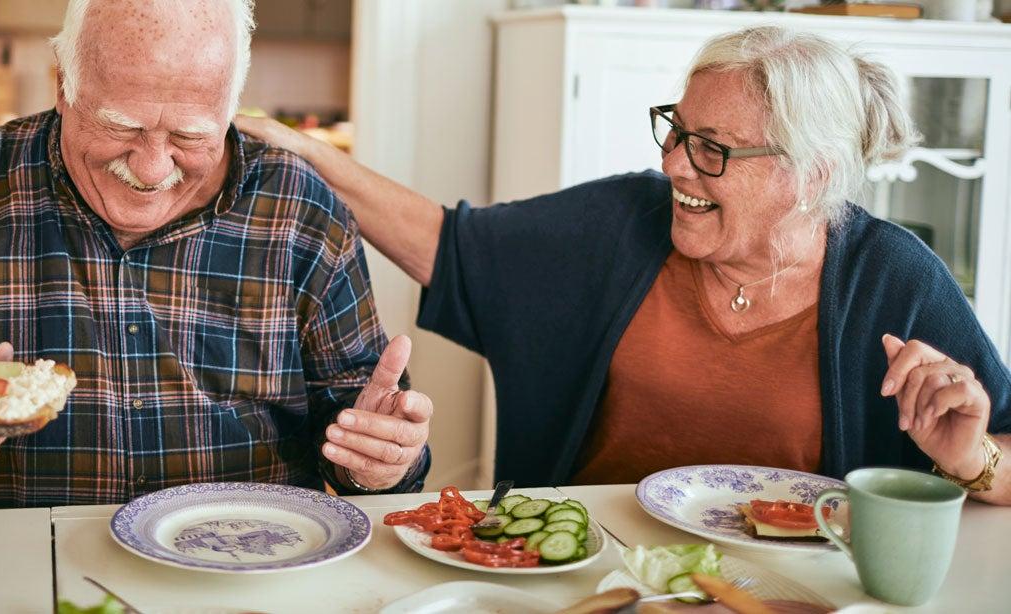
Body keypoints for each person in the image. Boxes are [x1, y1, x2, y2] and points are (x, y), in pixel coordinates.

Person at [237, 25, 1011, 504]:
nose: (675, 163)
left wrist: (970, 458)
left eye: (713, 149)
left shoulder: (892, 278)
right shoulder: (622, 224)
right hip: (588, 581)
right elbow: (448, 245)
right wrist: (305, 150)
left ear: (810, 173)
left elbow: (999, 453)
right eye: (676, 130)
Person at [0, 0, 433, 514]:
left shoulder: (302, 207)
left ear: (230, 106)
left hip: (253, 572)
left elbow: (365, 443)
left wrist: (380, 461)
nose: (150, 169)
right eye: (120, 126)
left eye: (190, 136)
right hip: (30, 579)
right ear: (62, 85)